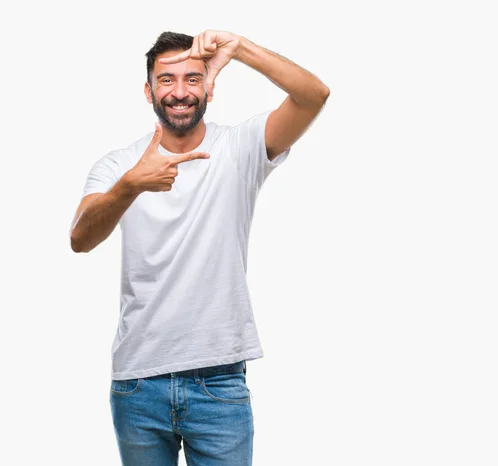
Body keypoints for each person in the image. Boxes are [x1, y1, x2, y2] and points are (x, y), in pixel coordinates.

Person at [69, 30, 329, 465]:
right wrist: (131, 186)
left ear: (210, 87)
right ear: (149, 91)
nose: (180, 92)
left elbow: (313, 95)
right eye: (167, 80)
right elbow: (80, 239)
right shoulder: (117, 165)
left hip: (218, 384)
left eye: (193, 78)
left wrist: (240, 48)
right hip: (138, 385)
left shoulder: (239, 148)